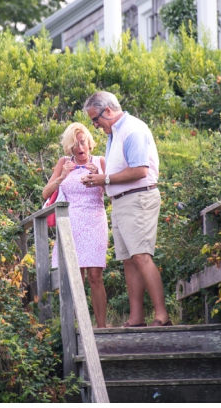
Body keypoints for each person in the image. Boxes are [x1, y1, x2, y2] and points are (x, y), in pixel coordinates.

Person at [80, 91, 171, 327]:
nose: (96, 125)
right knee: (129, 260)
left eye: (96, 120)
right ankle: (136, 318)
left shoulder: (133, 129)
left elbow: (140, 170)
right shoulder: (116, 133)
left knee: (141, 255)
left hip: (138, 197)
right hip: (121, 200)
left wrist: (104, 179)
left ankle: (161, 316)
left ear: (108, 111)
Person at [43, 122, 109, 328]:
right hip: (70, 222)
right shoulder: (64, 162)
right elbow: (46, 194)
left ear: (89, 142)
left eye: (83, 143)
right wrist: (62, 176)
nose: (80, 148)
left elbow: (111, 194)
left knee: (95, 275)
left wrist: (99, 177)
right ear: (69, 148)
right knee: (75, 276)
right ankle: (80, 327)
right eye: (75, 145)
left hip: (95, 219)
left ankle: (102, 327)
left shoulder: (100, 161)